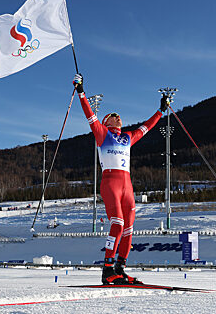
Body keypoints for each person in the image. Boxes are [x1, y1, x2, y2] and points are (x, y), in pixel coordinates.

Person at [73, 73, 169, 284]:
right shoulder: (102, 133)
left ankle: (120, 268)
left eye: (119, 115)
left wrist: (161, 110)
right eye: (113, 115)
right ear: (106, 121)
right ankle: (107, 270)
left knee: (129, 229)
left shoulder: (127, 137)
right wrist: (81, 92)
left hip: (127, 186)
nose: (118, 116)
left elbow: (147, 127)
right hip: (111, 184)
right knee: (116, 223)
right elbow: (90, 116)